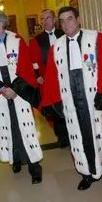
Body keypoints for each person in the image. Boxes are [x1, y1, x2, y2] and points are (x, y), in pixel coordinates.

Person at [40, 6, 102, 191]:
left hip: (94, 99)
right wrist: (55, 104)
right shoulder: (57, 48)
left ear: (78, 20)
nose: (66, 24)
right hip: (71, 101)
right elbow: (52, 79)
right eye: (61, 21)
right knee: (78, 136)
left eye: (69, 19)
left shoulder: (96, 39)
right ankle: (86, 173)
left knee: (99, 132)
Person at [0, 10, 43, 185]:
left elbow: (26, 68)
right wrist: (2, 89)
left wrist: (15, 89)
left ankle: (34, 167)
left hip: (19, 92)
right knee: (8, 127)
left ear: (0, 24)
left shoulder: (17, 42)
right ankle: (16, 159)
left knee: (24, 127)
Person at [29, 9, 70, 149]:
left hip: (66, 77)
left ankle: (72, 133)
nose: (45, 21)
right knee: (55, 108)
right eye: (42, 19)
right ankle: (62, 136)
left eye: (47, 18)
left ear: (54, 20)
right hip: (49, 80)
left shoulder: (64, 34)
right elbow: (33, 61)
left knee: (69, 106)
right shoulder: (36, 41)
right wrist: (37, 76)